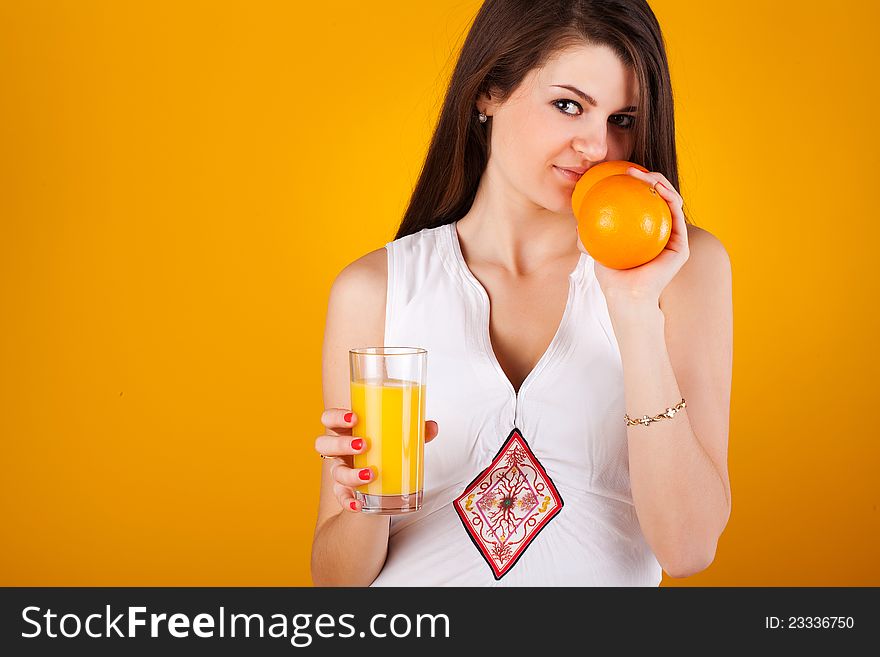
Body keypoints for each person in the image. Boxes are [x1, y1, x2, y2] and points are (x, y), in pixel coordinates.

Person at [311, 0, 732, 586]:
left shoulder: (682, 270)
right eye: (568, 105)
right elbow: (338, 583)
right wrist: (366, 494)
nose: (597, 148)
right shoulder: (375, 290)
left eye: (623, 120)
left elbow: (688, 550)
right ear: (488, 91)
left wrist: (634, 313)